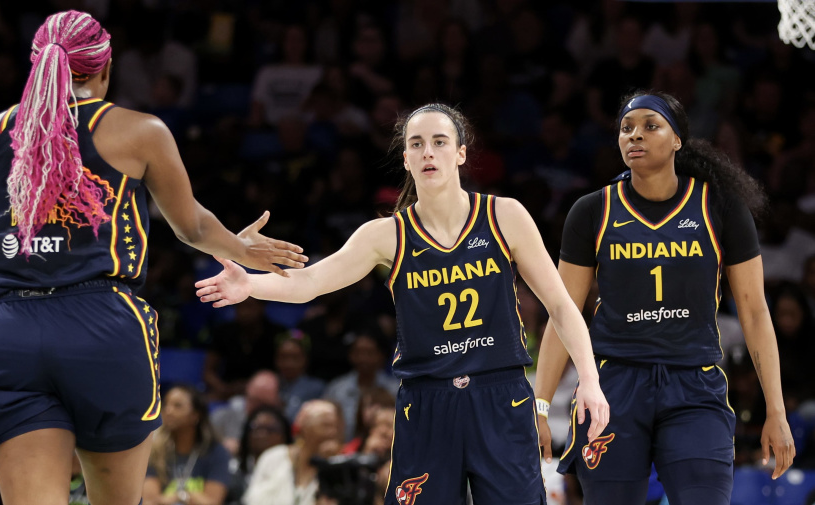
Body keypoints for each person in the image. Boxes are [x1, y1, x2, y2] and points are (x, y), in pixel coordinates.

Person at [0, 11, 306, 505]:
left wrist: (28, 245)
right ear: (105, 69)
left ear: (36, 67)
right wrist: (240, 248)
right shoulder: (139, 130)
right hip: (101, 327)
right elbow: (190, 225)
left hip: (11, 330)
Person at [196, 102, 608, 504]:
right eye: (416, 143)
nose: (428, 151)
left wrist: (589, 380)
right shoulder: (385, 234)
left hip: (500, 396)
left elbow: (560, 304)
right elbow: (312, 282)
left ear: (461, 153)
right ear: (407, 159)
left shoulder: (504, 215)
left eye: (440, 141)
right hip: (427, 402)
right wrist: (250, 284)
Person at [534, 90, 796, 505]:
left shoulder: (719, 207)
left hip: (694, 384)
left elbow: (755, 312)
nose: (635, 136)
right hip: (612, 387)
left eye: (649, 126)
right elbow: (563, 313)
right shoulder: (592, 210)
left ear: (677, 140)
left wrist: (776, 412)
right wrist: (541, 407)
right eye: (626, 128)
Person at [143, 385, 231, 505]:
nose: (168, 411)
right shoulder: (155, 451)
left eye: (177, 406)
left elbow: (212, 502)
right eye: (166, 405)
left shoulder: (216, 452)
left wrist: (180, 496)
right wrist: (191, 497)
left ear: (195, 415)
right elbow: (150, 502)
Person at [242, 400, 342, 505]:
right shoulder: (273, 457)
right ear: (305, 427)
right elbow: (251, 500)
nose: (332, 432)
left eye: (335, 426)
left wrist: (328, 467)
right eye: (326, 425)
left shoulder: (336, 465)